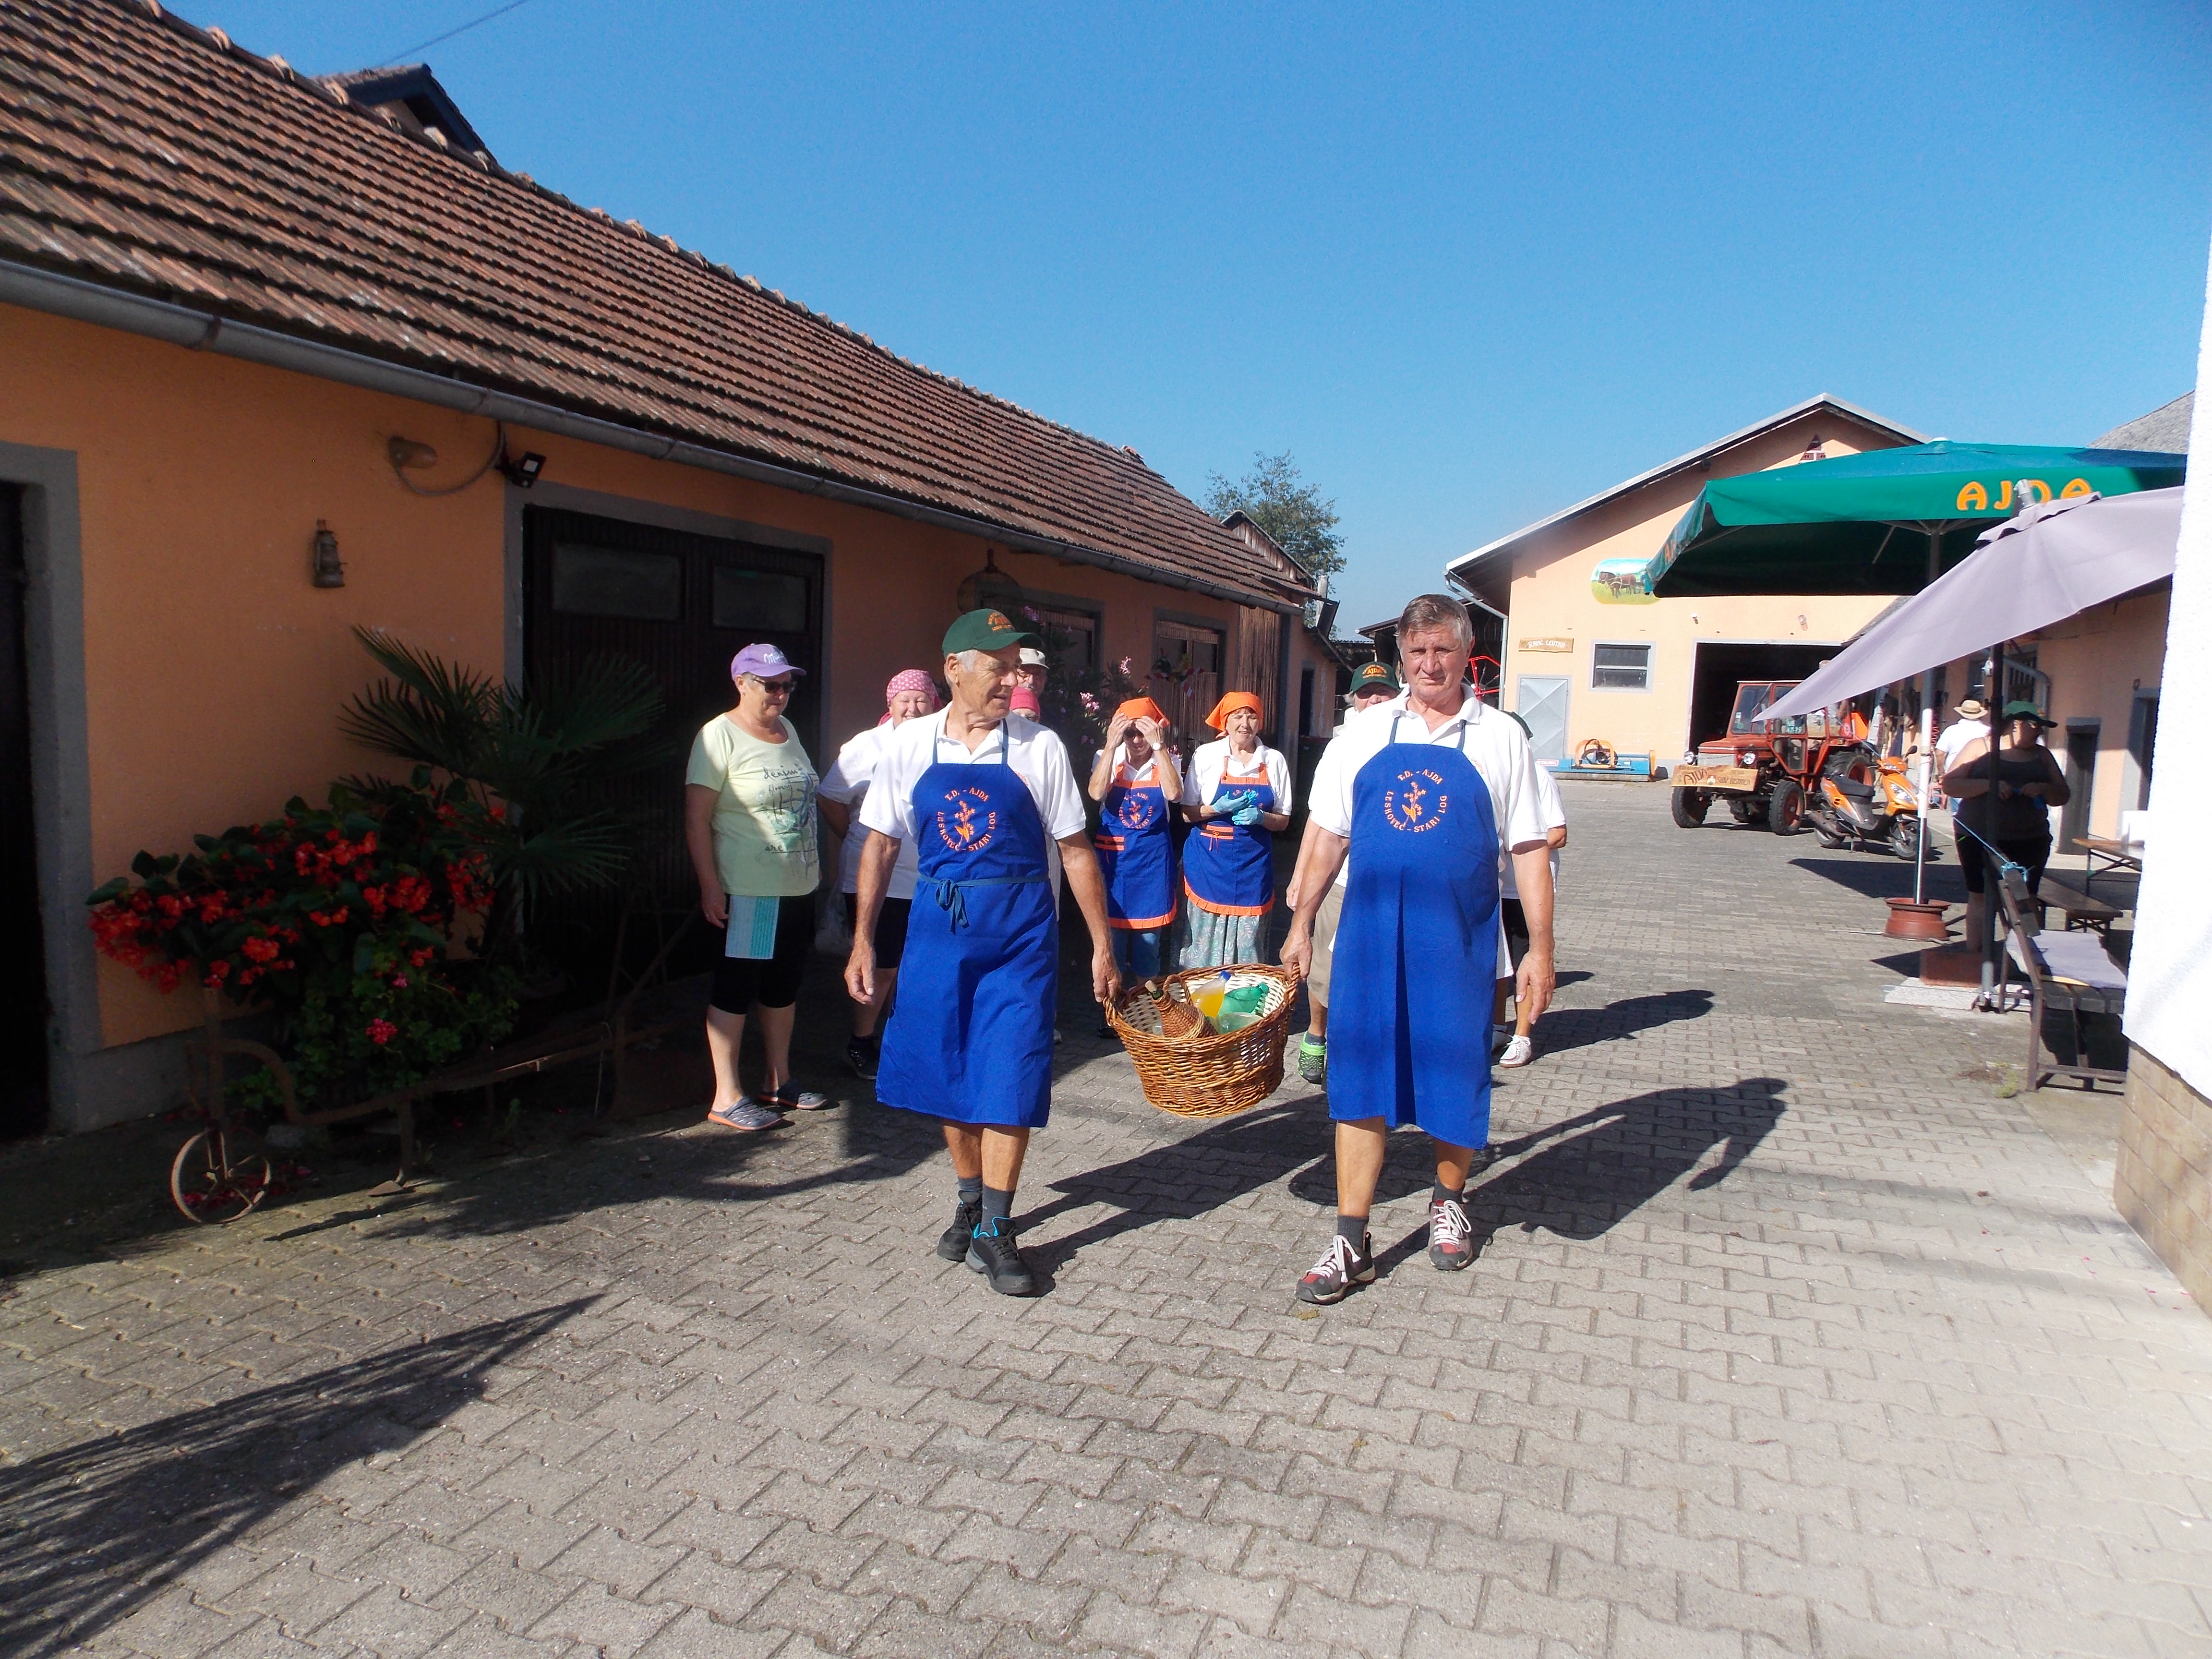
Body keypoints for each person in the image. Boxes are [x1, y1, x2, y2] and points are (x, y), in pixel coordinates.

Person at [1281, 595, 1554, 1304]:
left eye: (1443, 650)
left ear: (1467, 654)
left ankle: (1449, 1201)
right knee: (1358, 1080)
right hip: (1369, 940)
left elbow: (1529, 847)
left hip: (1457, 942)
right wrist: (1301, 922)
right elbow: (1328, 835)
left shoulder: (1500, 737)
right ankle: (1352, 1239)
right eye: (1418, 651)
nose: (1430, 665)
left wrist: (1541, 949)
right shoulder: (1365, 733)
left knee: (1455, 1073)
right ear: (1401, 656)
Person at [846, 609, 1121, 1298]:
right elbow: (879, 844)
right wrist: (862, 940)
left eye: (1016, 668)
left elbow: (1075, 851)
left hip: (1020, 939)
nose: (1011, 680)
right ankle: (970, 1200)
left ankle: (998, 1227)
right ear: (954, 669)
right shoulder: (908, 745)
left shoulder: (1039, 747)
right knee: (950, 1070)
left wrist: (1101, 946)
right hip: (938, 935)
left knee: (1011, 1071)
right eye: (997, 667)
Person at [684, 643, 831, 1131]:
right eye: (770, 685)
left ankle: (778, 1079)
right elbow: (697, 818)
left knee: (783, 987)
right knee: (737, 987)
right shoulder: (718, 735)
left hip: (797, 886)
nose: (781, 694)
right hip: (750, 891)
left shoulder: (787, 730)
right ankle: (726, 1096)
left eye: (788, 685)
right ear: (741, 683)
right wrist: (710, 885)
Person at [817, 670, 939, 1080]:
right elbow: (830, 797)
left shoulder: (943, 743)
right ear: (890, 704)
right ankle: (861, 1041)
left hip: (928, 877)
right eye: (905, 699)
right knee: (881, 965)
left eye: (921, 700)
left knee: (916, 965)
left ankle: (903, 1040)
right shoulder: (866, 746)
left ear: (934, 704)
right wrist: (856, 839)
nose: (913, 708)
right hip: (876, 879)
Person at [1286, 661, 1401, 1084]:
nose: (1375, 700)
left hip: (1394, 885)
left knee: (1385, 971)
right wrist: (1300, 876)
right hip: (1342, 878)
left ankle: (1374, 1047)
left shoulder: (1413, 740)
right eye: (1366, 693)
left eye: (1383, 692)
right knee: (1326, 968)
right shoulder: (1341, 747)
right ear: (1353, 701)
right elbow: (1320, 820)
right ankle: (1317, 1033)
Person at [1178, 692, 1293, 967]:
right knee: (1202, 947)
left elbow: (1283, 820)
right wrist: (1217, 809)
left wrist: (1261, 817)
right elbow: (1186, 814)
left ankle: (1243, 993)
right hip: (1208, 866)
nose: (1245, 724)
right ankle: (1199, 993)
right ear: (1225, 722)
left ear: (1260, 722)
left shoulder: (1274, 760)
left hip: (1254, 868)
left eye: (1252, 716)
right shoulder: (1207, 755)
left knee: (1248, 947)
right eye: (1237, 717)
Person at [1943, 700, 2069, 947]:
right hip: (1979, 836)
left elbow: (2063, 796)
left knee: (2026, 898)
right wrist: (1988, 785)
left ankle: (2028, 956)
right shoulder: (1980, 747)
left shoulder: (2042, 755)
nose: (2039, 731)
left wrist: (2043, 789)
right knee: (1981, 896)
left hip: (2030, 839)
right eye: (2035, 725)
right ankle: (1977, 954)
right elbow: (1951, 785)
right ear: (2015, 724)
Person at [1088, 696, 1181, 1016]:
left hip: (1151, 869)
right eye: (1130, 733)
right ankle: (1111, 1015)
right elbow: (1096, 793)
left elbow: (1174, 794)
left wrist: (1160, 747)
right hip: (1114, 869)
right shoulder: (1107, 757)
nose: (1137, 740)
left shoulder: (1167, 759)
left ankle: (1146, 1013)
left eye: (1143, 732)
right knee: (1112, 946)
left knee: (1148, 951)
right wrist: (1111, 746)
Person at [1493, 711, 1568, 1069]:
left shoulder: (1539, 777)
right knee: (1497, 962)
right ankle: (1497, 1028)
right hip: (1492, 885)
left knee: (1525, 960)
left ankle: (1522, 1036)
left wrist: (1515, 846)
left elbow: (1558, 834)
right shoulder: (1492, 772)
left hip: (1523, 891)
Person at [1009, 645, 1047, 719]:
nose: (1031, 681)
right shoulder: (996, 713)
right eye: (1024, 674)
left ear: (1045, 680)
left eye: (1037, 675)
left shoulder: (1050, 719)